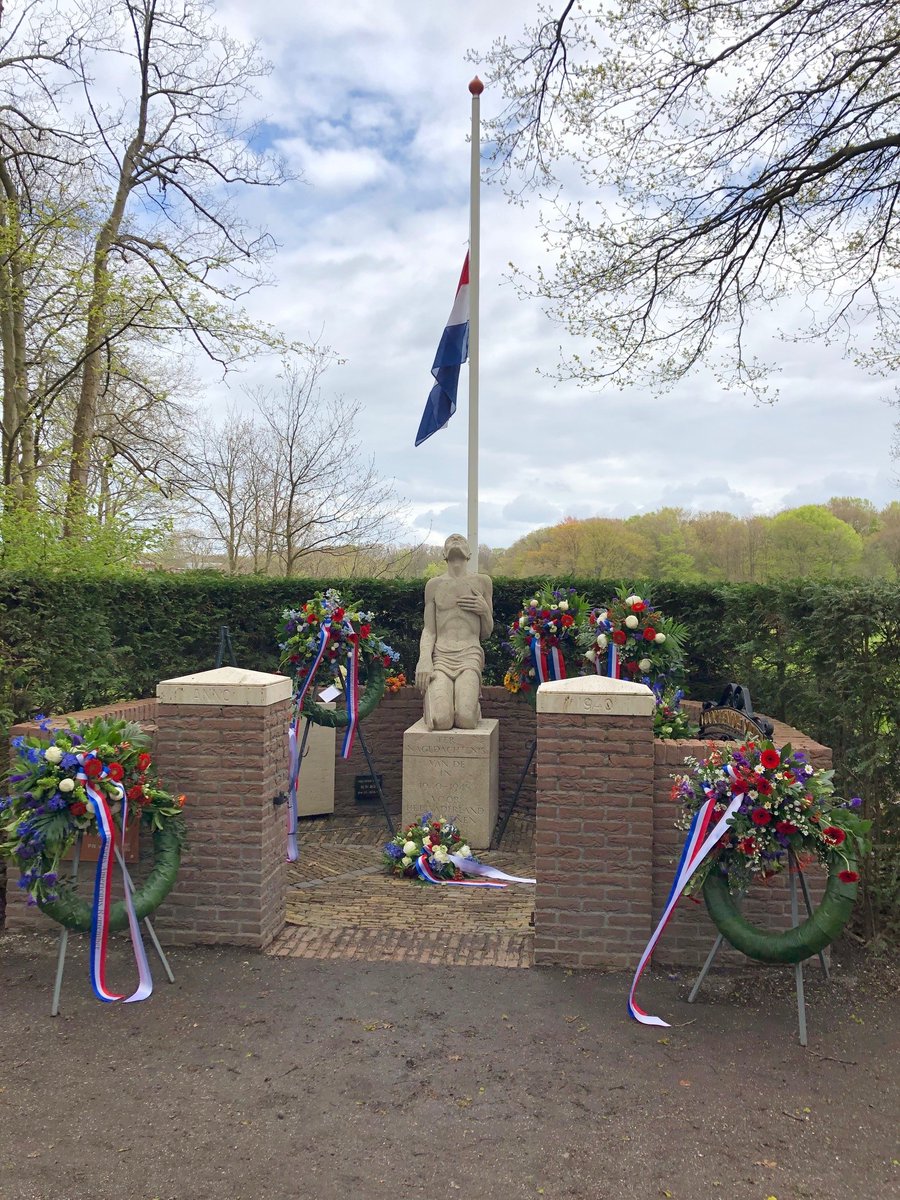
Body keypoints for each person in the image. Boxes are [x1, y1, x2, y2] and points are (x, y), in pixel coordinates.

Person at [415, 534, 493, 730]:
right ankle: (434, 704)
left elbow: (487, 632)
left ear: (469, 553)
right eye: (451, 539)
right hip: (441, 656)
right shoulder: (434, 585)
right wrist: (424, 659)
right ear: (444, 554)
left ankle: (473, 706)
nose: (456, 539)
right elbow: (429, 630)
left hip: (469, 654)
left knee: (466, 719)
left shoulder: (483, 582)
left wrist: (484, 611)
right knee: (441, 720)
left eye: (461, 540)